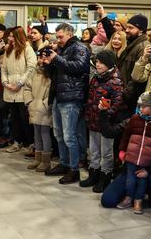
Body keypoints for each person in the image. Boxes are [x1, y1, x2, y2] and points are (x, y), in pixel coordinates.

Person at [42, 23, 90, 184]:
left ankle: (74, 169)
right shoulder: (62, 50)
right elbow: (56, 74)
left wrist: (56, 58)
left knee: (70, 136)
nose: (58, 39)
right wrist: (48, 65)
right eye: (57, 36)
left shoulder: (79, 47)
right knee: (59, 134)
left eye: (61, 36)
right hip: (58, 95)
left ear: (70, 34)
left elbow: (79, 67)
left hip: (72, 97)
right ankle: (64, 163)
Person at [116, 92, 151, 214]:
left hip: (147, 159)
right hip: (131, 157)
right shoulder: (135, 119)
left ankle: (138, 200)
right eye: (140, 106)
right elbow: (126, 135)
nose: (141, 108)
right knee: (130, 180)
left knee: (142, 180)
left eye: (144, 106)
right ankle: (128, 197)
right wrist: (122, 150)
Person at [81, 49, 123, 193]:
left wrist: (106, 115)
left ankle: (105, 177)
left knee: (106, 152)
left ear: (109, 63)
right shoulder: (96, 78)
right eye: (97, 62)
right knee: (93, 150)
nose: (97, 65)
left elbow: (117, 103)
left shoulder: (115, 80)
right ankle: (94, 173)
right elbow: (90, 98)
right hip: (93, 120)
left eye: (101, 62)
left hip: (106, 123)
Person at [1, 26, 36, 153]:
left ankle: (31, 143)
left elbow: (31, 68)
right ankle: (17, 141)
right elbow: (3, 68)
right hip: (10, 88)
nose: (9, 38)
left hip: (24, 88)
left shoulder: (27, 49)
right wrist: (5, 82)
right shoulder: (8, 50)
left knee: (25, 118)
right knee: (14, 118)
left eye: (11, 36)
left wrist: (20, 83)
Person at [23, 46, 52, 172]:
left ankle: (46, 161)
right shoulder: (34, 72)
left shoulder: (51, 74)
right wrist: (29, 102)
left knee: (45, 134)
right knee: (36, 134)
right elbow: (27, 88)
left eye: (45, 57)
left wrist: (45, 105)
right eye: (40, 57)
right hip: (34, 106)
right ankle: (37, 158)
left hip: (44, 109)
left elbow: (52, 92)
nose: (42, 59)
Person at [120, 15, 148, 112]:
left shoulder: (143, 47)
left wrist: (125, 94)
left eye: (131, 28)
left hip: (132, 97)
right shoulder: (132, 44)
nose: (126, 30)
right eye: (127, 27)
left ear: (141, 30)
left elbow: (138, 76)